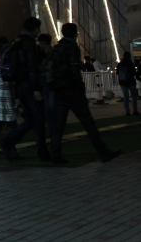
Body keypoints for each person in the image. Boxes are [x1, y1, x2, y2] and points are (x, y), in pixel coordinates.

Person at [49, 23, 121, 164]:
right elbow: (75, 71)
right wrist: (80, 90)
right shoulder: (72, 48)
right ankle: (103, 152)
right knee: (88, 123)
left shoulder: (56, 48)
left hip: (59, 91)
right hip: (73, 91)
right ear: (75, 34)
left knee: (59, 125)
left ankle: (55, 154)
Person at [1, 17, 50, 161]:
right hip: (30, 85)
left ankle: (8, 141)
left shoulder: (16, 41)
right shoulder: (29, 43)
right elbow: (31, 67)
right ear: (35, 29)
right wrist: (36, 88)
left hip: (20, 85)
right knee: (38, 119)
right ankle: (42, 153)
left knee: (29, 120)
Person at [37, 34, 56, 138]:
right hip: (46, 84)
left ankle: (53, 130)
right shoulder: (42, 54)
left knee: (51, 109)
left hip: (50, 84)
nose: (41, 46)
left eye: (42, 44)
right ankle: (52, 130)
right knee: (48, 110)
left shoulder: (51, 54)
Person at [115, 51, 139, 116]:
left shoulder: (120, 64)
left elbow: (117, 73)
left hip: (122, 82)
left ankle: (127, 111)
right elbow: (133, 73)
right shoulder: (130, 63)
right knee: (134, 96)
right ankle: (135, 110)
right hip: (130, 81)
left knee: (126, 97)